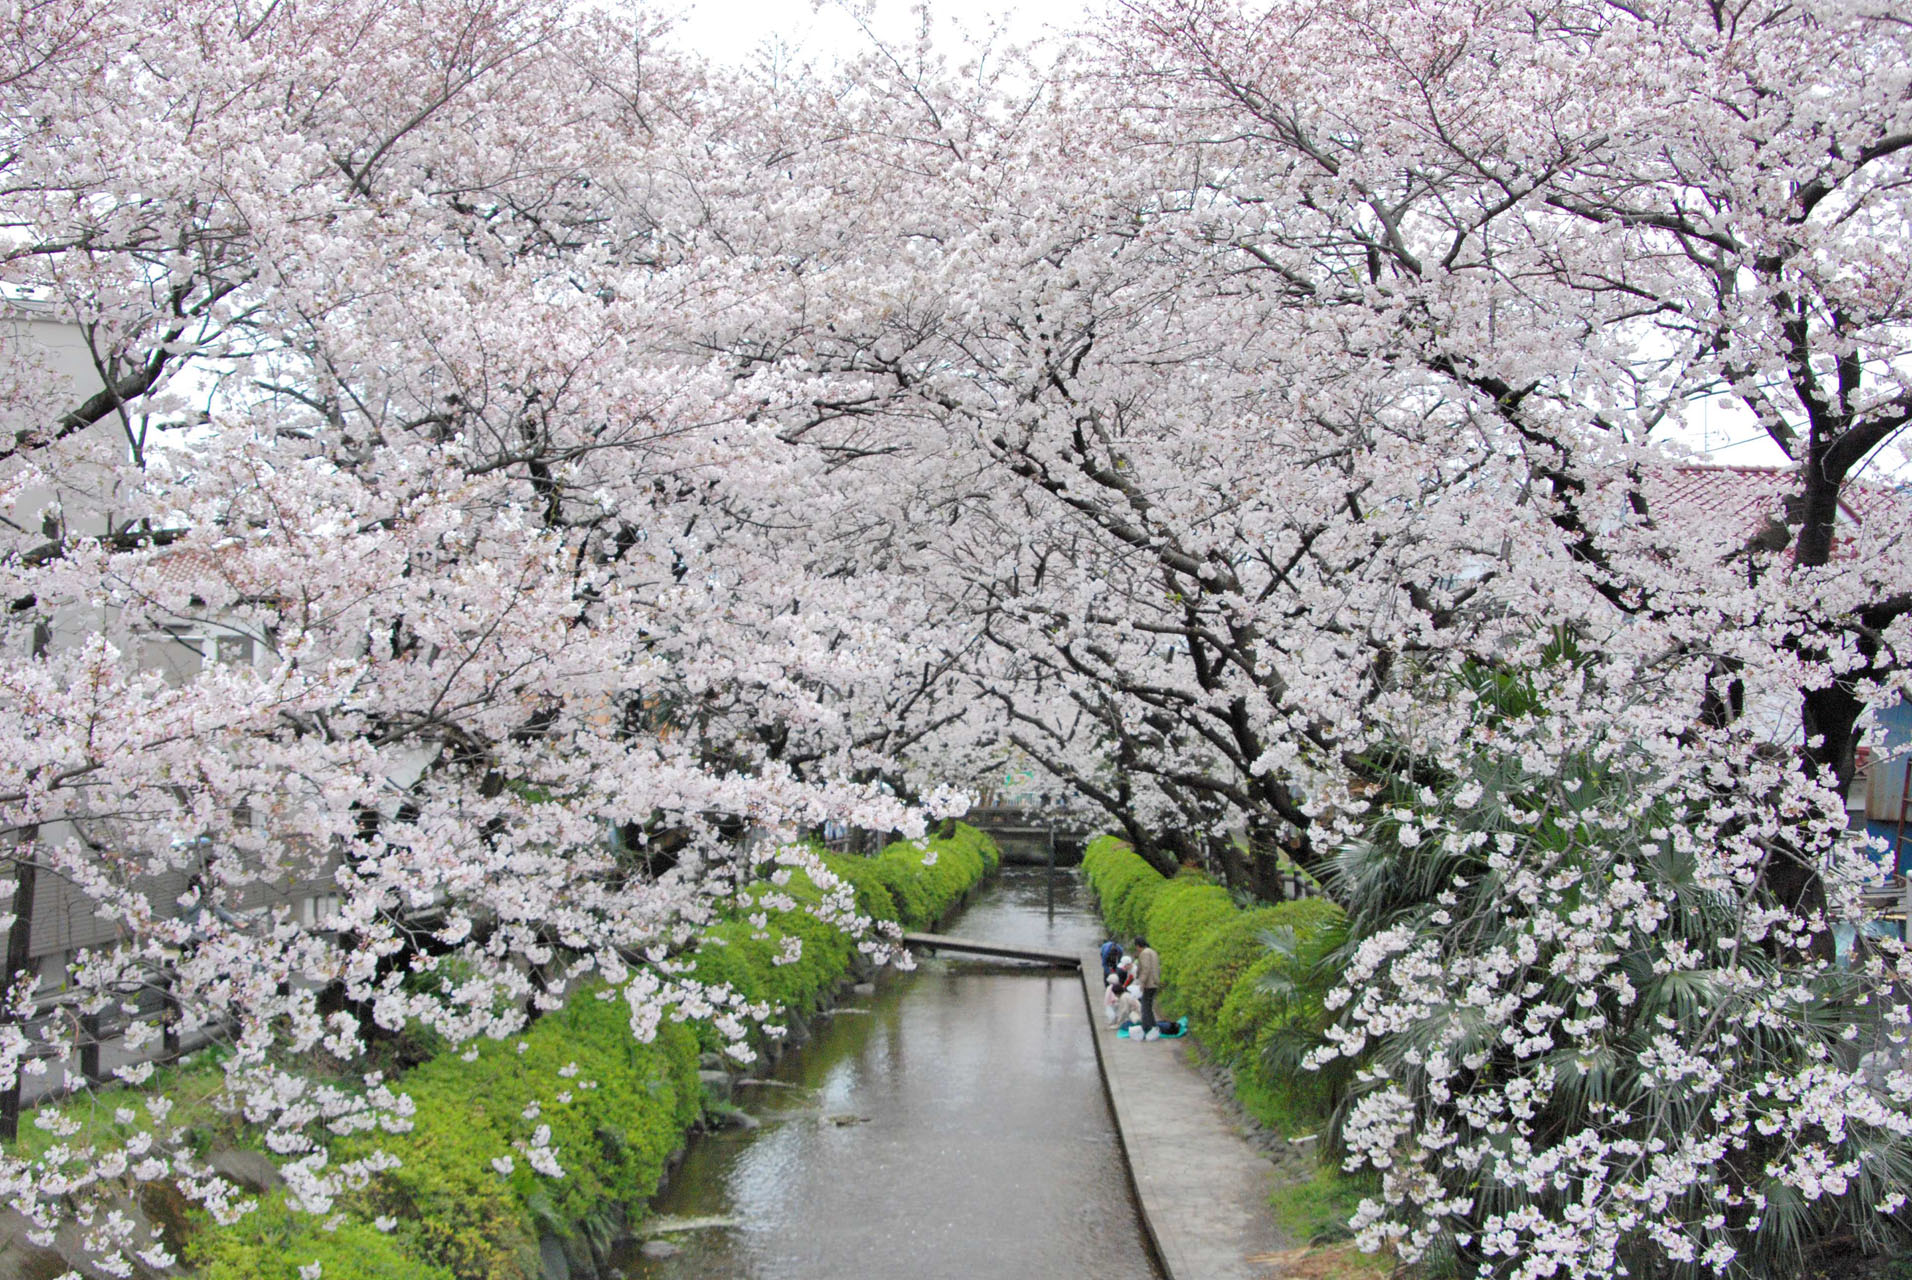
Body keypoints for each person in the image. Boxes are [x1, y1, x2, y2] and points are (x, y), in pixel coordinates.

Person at [1133, 936, 1161, 1040]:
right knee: (1148, 1006)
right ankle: (1153, 1026)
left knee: (1145, 1006)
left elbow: (1146, 969)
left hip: (1149, 983)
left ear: (1138, 946)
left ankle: (1147, 1027)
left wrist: (1141, 982)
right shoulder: (1152, 952)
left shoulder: (1144, 953)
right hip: (1154, 982)